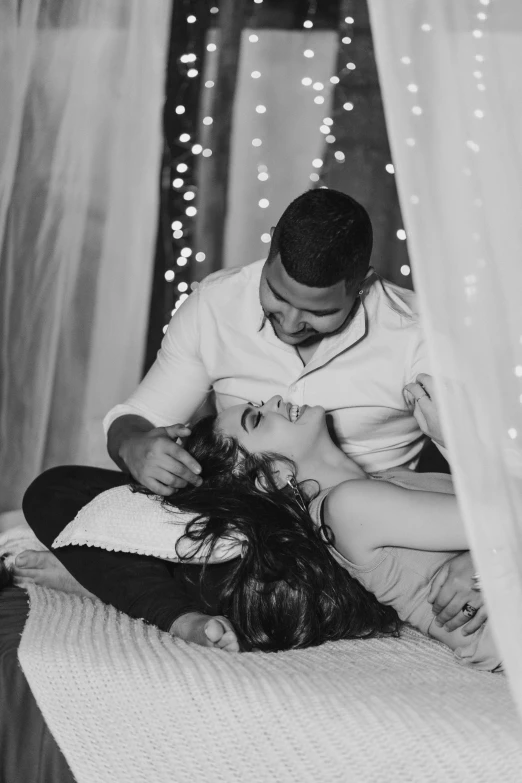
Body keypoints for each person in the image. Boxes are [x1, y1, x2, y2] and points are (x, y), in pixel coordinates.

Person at [17, 189, 483, 641]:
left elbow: (496, 463)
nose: (290, 324)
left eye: (317, 313)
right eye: (278, 298)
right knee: (59, 490)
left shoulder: (420, 337)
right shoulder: (215, 306)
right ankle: (154, 597)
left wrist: (485, 556)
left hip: (354, 550)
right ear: (272, 245)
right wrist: (134, 444)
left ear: (362, 284)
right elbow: (139, 416)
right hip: (243, 510)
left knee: (277, 587)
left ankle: (119, 581)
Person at [19, 388, 498, 669]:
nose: (274, 399)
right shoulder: (349, 508)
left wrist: (482, 552)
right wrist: (452, 434)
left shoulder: (387, 484)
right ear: (271, 477)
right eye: (257, 417)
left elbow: (500, 516)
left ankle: (94, 580)